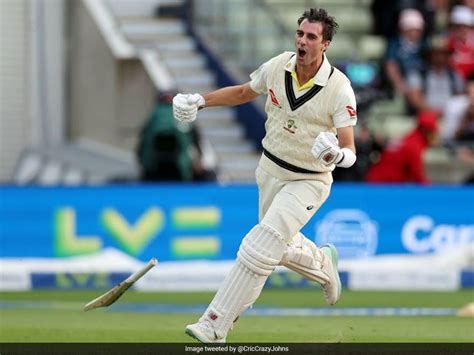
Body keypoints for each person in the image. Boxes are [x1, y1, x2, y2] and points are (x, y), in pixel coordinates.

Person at [172, 8, 357, 343]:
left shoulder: (339, 88)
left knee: (259, 247)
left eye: (311, 37)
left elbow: (350, 152)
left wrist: (336, 155)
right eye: (300, 33)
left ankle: (215, 324)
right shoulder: (278, 65)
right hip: (270, 171)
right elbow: (244, 92)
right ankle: (324, 264)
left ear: (325, 44)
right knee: (274, 245)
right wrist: (201, 101)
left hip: (309, 180)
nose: (302, 41)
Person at [365, 110, 438, 184]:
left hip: (376, 179)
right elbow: (417, 173)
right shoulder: (414, 145)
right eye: (433, 133)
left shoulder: (409, 139)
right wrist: (430, 189)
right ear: (426, 131)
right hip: (383, 184)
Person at [406, 36, 464, 115]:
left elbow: (459, 98)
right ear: (429, 55)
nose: (439, 57)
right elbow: (415, 99)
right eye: (436, 53)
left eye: (443, 53)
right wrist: (433, 111)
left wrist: (450, 112)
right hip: (425, 115)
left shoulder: (454, 75)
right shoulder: (418, 74)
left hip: (450, 116)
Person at [384, 8, 428, 97]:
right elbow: (391, 65)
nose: (414, 33)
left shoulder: (424, 44)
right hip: (405, 81)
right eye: (411, 30)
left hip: (423, 81)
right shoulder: (395, 44)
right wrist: (400, 84)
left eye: (417, 30)